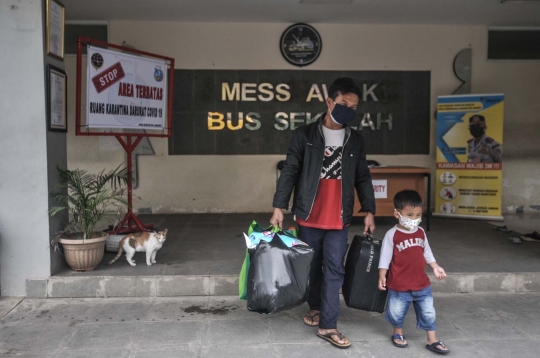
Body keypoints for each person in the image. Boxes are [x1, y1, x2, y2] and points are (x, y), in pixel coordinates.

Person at [271, 77, 376, 349]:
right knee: (312, 267)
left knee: (334, 269)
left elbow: (363, 177)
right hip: (308, 214)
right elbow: (290, 170)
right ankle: (316, 307)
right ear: (329, 102)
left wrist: (369, 210)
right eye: (343, 104)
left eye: (353, 107)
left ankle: (328, 325)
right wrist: (278, 207)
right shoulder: (305, 135)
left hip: (339, 217)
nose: (348, 110)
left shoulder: (355, 139)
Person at [378, 190, 450, 354]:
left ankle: (432, 340)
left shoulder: (421, 232)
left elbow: (427, 252)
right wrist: (382, 274)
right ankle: (398, 333)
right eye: (409, 215)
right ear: (397, 214)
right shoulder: (392, 234)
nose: (414, 219)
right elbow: (385, 257)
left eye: (418, 215)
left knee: (428, 312)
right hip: (399, 284)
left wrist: (435, 266)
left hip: (421, 284)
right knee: (397, 311)